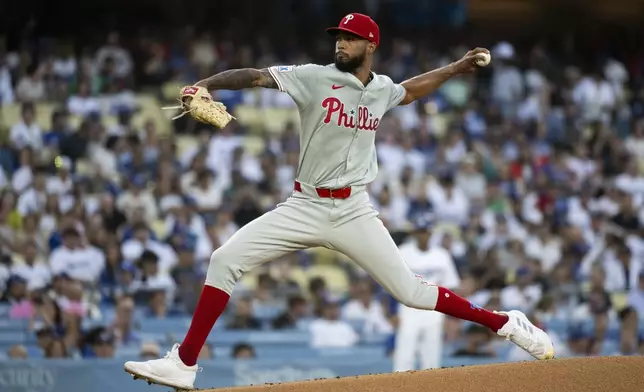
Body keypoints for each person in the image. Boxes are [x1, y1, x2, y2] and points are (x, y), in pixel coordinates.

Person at [124, 12, 554, 390]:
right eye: (338, 37)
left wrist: (457, 68)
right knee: (223, 259)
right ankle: (184, 363)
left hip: (353, 211)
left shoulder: (381, 89)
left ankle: (506, 323)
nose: (340, 43)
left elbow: (410, 89)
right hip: (304, 205)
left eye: (349, 38)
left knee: (410, 292)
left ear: (370, 45)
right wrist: (204, 85)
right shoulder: (312, 76)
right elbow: (255, 75)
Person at [393, 214, 461, 371]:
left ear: (431, 233)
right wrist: (391, 311)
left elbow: (451, 287)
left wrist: (452, 316)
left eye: (425, 231)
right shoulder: (403, 252)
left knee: (431, 358)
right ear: (414, 233)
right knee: (404, 356)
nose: (422, 234)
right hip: (408, 308)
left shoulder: (441, 255)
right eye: (419, 231)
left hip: (434, 309)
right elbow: (392, 282)